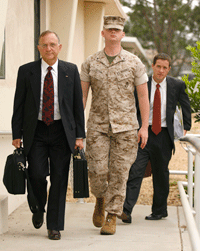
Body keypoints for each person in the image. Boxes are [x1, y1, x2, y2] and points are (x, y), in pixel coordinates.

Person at [12, 30, 85, 240]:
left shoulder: (70, 70)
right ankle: (38, 207)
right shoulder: (26, 71)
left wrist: (79, 135)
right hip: (35, 131)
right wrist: (17, 133)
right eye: (44, 45)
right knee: (35, 174)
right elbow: (19, 104)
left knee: (60, 178)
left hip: (62, 132)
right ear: (38, 48)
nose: (49, 49)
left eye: (52, 44)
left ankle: (54, 225)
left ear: (59, 47)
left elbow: (77, 106)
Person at [80, 16, 149, 235]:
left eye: (117, 30)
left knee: (120, 174)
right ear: (103, 33)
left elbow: (143, 97)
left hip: (126, 128)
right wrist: (76, 129)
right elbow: (81, 97)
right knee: (98, 171)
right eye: (109, 29)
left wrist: (144, 127)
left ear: (122, 35)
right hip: (98, 127)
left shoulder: (134, 62)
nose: (113, 33)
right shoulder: (90, 62)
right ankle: (100, 199)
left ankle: (111, 215)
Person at [120, 53, 191, 223]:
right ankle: (126, 210)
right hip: (144, 133)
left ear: (169, 69)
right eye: (158, 66)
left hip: (164, 136)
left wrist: (186, 127)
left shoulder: (177, 85)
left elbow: (185, 105)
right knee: (136, 170)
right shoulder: (142, 84)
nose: (161, 70)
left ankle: (159, 211)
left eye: (165, 67)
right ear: (152, 66)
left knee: (161, 174)